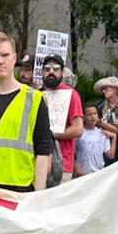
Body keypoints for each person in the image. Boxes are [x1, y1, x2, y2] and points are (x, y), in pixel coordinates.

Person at [0, 32, 51, 191]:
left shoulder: (34, 99)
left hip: (20, 189)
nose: (0, 61)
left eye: (5, 55)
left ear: (14, 58)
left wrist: (38, 196)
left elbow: (43, 151)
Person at [41, 53, 84, 182]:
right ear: (42, 72)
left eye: (55, 68)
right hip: (40, 163)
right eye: (47, 69)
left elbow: (77, 129)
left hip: (62, 165)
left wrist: (49, 135)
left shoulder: (71, 94)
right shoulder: (39, 95)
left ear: (62, 72)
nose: (51, 72)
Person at [94, 76, 118, 162]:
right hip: (103, 141)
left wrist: (101, 123)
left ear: (116, 89)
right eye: (104, 89)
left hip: (115, 144)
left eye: (107, 88)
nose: (104, 91)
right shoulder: (103, 105)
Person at [75, 103, 116, 176]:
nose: (93, 116)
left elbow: (110, 155)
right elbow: (70, 153)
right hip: (82, 173)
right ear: (83, 117)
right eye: (89, 114)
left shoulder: (102, 134)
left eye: (95, 113)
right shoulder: (78, 133)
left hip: (98, 173)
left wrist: (114, 137)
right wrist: (76, 168)